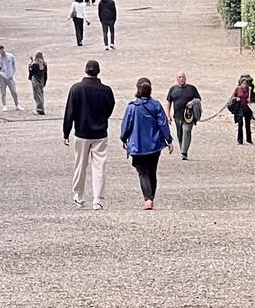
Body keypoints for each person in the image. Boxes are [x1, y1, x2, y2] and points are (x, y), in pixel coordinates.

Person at [62, 56, 116, 210]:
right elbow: (110, 107)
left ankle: (79, 195)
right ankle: (98, 199)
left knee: (80, 164)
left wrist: (66, 132)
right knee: (99, 166)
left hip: (82, 132)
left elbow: (70, 111)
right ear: (98, 72)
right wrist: (102, 118)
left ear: (86, 70)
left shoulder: (76, 89)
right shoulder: (106, 90)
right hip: (100, 133)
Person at [120, 78, 174, 209]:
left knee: (143, 172)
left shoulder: (132, 107)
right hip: (154, 145)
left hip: (138, 145)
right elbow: (163, 123)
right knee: (152, 171)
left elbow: (126, 126)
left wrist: (124, 138)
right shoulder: (156, 105)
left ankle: (148, 198)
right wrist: (168, 140)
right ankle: (151, 197)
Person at [166, 71, 202, 160]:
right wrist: (168, 115)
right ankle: (183, 150)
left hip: (189, 116)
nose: (182, 79)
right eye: (180, 77)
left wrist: (192, 102)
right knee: (180, 134)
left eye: (183, 77)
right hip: (177, 116)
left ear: (185, 78)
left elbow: (198, 99)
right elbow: (168, 102)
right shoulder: (173, 89)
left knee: (186, 131)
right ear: (177, 79)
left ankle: (184, 152)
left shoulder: (192, 88)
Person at [227, 73, 255, 144]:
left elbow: (254, 98)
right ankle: (240, 140)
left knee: (247, 125)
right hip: (240, 109)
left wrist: (251, 100)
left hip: (247, 109)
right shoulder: (238, 89)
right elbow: (233, 97)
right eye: (243, 84)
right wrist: (236, 98)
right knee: (240, 124)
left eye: (245, 84)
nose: (244, 85)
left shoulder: (250, 90)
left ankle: (249, 139)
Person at [0, 43, 20, 110]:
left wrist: (12, 73)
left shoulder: (10, 56)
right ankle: (4, 105)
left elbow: (13, 65)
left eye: (3, 49)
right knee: (3, 92)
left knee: (14, 91)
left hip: (10, 77)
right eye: (1, 50)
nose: (3, 51)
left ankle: (17, 105)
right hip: (2, 78)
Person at [28, 50, 49, 116]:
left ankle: (39, 109)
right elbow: (45, 74)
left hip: (36, 81)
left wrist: (30, 63)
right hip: (42, 81)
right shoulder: (44, 64)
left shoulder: (35, 64)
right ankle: (41, 108)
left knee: (37, 96)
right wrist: (45, 82)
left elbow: (31, 72)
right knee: (41, 95)